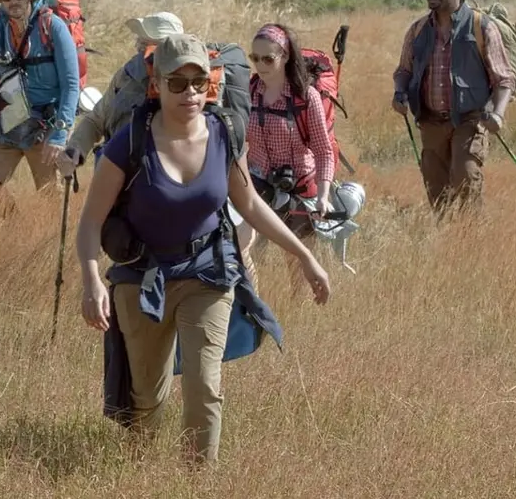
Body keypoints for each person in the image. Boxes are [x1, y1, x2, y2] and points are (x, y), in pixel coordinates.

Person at [75, 33, 332, 465]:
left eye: (199, 82)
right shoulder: (129, 142)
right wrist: (90, 282)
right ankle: (139, 470)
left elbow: (249, 204)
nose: (190, 93)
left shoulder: (223, 133)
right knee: (146, 398)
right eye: (177, 83)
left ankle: (199, 485)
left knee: (203, 383)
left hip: (207, 274)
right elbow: (90, 223)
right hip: (142, 278)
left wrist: (304, 256)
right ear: (156, 84)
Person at [392, 0, 516, 215]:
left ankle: (472, 238)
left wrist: (498, 115)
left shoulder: (482, 27)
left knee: (466, 177)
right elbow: (403, 70)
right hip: (430, 121)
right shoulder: (417, 30)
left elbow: (503, 79)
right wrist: (399, 93)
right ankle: (447, 240)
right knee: (436, 190)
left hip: (470, 119)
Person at [0, 0, 80, 211]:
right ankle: (14, 226)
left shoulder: (53, 27)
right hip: (7, 119)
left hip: (46, 126)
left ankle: (46, 246)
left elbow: (71, 85)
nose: (13, 0)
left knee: (50, 196)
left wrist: (61, 134)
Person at [240, 23, 336, 292]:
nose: (261, 64)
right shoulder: (249, 93)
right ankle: (252, 306)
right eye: (255, 58)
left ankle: (299, 316)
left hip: (300, 186)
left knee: (298, 267)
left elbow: (323, 150)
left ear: (285, 56)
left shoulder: (307, 97)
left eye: (268, 58)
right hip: (257, 183)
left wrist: (323, 196)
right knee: (241, 248)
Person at [63, 11, 185, 169]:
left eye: (144, 43)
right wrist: (76, 148)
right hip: (118, 172)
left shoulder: (190, 85)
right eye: (140, 42)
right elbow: (96, 119)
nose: (139, 48)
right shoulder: (127, 74)